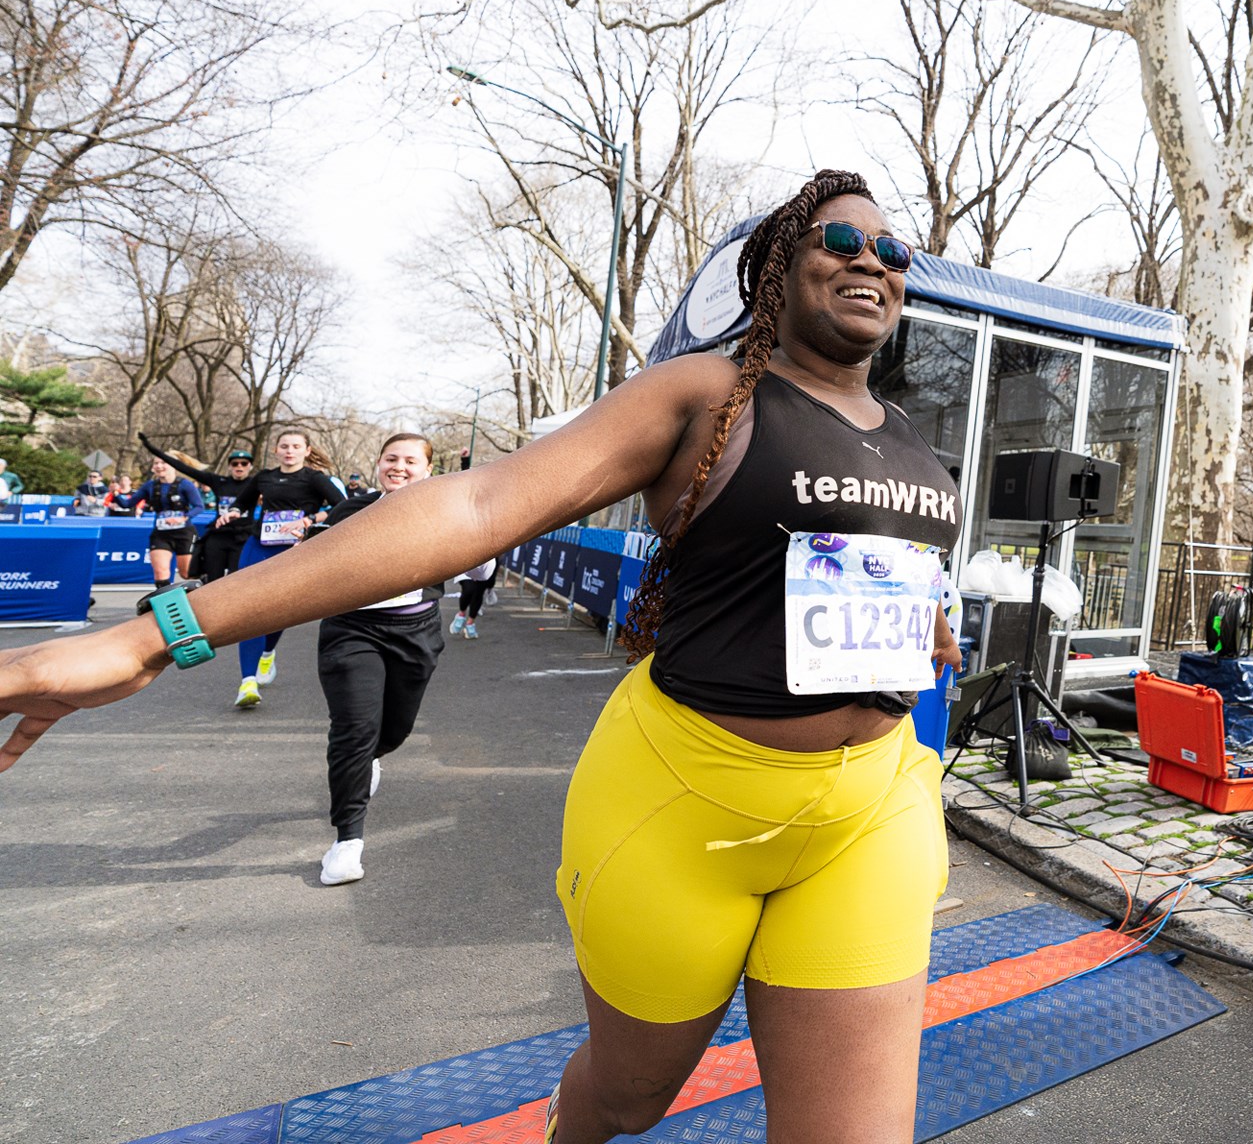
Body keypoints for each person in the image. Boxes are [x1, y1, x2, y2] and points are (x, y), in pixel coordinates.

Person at [0, 170, 962, 1144]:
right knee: (627, 1101)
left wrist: (914, 616)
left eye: (892, 251)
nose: (872, 261)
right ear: (780, 267)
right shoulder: (709, 394)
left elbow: (845, 568)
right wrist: (156, 632)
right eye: (843, 239)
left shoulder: (910, 439)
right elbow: (474, 506)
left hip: (870, 809)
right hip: (689, 803)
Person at [306, 433, 447, 886]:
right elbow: (314, 569)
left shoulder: (446, 511)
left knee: (393, 732)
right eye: (391, 458)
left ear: (428, 469)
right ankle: (347, 841)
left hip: (416, 632)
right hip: (352, 630)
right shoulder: (351, 510)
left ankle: (368, 761)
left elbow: (481, 569)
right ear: (379, 464)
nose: (399, 467)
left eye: (410, 460)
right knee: (354, 730)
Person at [223, 429, 346, 708]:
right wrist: (232, 512)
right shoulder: (264, 477)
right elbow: (241, 503)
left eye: (296, 446)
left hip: (293, 550)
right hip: (259, 545)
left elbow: (342, 505)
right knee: (251, 610)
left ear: (307, 451)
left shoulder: (314, 478)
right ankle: (248, 682)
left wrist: (309, 519)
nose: (290, 451)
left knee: (277, 611)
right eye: (284, 446)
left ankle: (267, 653)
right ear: (276, 450)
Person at [141, 438, 256, 584]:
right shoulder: (219, 482)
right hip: (219, 534)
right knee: (213, 579)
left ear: (250, 466)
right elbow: (185, 469)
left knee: (236, 578)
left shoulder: (255, 483)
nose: (239, 466)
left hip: (242, 536)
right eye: (235, 463)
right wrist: (152, 449)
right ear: (229, 466)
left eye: (244, 463)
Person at [127, 458, 205, 588]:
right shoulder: (150, 485)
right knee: (160, 573)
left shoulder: (185, 484)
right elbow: (128, 504)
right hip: (161, 534)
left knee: (186, 573)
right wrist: (116, 494)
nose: (159, 466)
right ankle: (167, 599)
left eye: (163, 463)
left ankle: (205, 592)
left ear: (173, 465)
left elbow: (199, 506)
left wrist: (184, 517)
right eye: (156, 463)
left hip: (184, 533)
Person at [449, 556, 496, 639]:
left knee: (478, 592)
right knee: (468, 589)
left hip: (486, 560)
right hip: (467, 558)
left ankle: (470, 623)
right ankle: (461, 615)